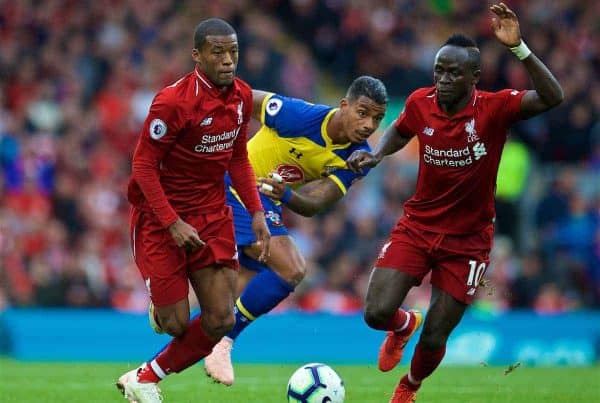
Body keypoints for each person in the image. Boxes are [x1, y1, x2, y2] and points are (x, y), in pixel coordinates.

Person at [346, 3, 563, 403]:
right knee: (376, 312)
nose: (443, 80)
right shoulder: (420, 102)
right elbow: (399, 129)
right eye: (439, 71)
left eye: (452, 73)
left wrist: (520, 50)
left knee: (436, 334)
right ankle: (402, 324)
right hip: (418, 226)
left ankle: (408, 388)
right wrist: (376, 154)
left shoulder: (494, 109)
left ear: (474, 78)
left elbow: (553, 96)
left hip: (467, 241)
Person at [115, 18, 271, 403]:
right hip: (161, 216)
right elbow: (143, 167)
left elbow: (238, 159)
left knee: (221, 319)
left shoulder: (241, 97)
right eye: (218, 52)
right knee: (176, 323)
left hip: (213, 214)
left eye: (233, 51)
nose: (228, 60)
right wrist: (171, 222)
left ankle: (146, 377)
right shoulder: (172, 102)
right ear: (197, 55)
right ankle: (161, 306)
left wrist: (255, 213)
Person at [201, 76, 388, 385]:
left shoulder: (357, 157)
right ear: (345, 106)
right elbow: (245, 98)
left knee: (223, 303)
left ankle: (150, 371)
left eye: (377, 118)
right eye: (363, 112)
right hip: (235, 184)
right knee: (292, 268)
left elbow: (315, 204)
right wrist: (209, 123)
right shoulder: (298, 115)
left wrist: (286, 194)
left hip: (267, 202)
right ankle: (224, 341)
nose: (369, 124)